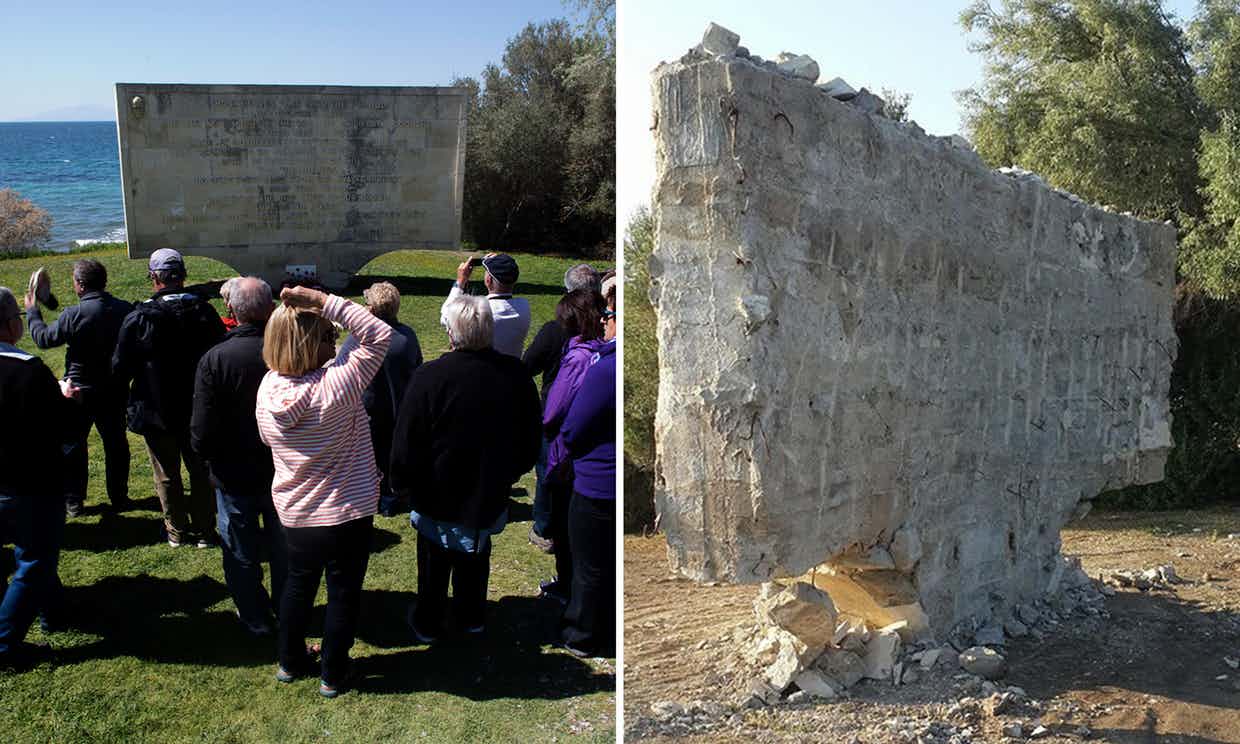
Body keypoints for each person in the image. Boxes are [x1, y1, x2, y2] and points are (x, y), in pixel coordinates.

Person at [256, 285, 391, 699]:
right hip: (347, 510)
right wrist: (322, 301)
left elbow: (266, 442)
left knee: (297, 586)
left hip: (296, 513)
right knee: (343, 592)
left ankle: (290, 661)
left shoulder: (267, 390)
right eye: (329, 335)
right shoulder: (338, 385)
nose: (335, 340)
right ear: (316, 342)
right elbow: (377, 334)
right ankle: (333, 673)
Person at [390, 295, 541, 642]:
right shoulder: (515, 375)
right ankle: (471, 616)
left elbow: (406, 439)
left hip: (436, 492)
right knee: (476, 553)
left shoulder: (430, 376)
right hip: (486, 489)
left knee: (434, 559)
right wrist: (511, 472)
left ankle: (429, 620)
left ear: (451, 334)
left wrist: (402, 483)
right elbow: (530, 435)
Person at [112, 248, 225, 548]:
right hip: (198, 406)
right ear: (183, 276)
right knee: (201, 471)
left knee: (166, 474)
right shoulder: (204, 312)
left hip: (156, 409)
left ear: (154, 278)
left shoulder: (139, 318)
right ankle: (205, 530)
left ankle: (175, 530)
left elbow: (120, 367)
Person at [190, 277, 284, 637]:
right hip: (282, 469)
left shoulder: (215, 359)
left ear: (230, 310)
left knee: (240, 550)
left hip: (232, 473)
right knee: (283, 547)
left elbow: (201, 431)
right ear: (271, 308)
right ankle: (287, 606)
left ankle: (255, 617)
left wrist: (209, 462)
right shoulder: (289, 352)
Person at [24, 258, 133, 516]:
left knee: (73, 445)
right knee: (116, 443)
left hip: (77, 391)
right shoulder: (124, 309)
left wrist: (32, 311)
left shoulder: (73, 315)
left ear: (80, 285)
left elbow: (43, 339)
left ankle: (73, 501)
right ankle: (119, 496)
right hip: (114, 389)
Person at [0, 287, 70, 667]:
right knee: (35, 561)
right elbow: (63, 430)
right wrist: (66, 398)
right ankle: (4, 643)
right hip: (27, 483)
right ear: (11, 324)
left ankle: (52, 612)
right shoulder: (29, 371)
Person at [558, 277, 617, 657]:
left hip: (596, 480)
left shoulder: (605, 368)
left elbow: (574, 425)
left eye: (610, 314)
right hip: (608, 478)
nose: (604, 320)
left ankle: (582, 634)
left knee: (589, 563)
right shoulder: (603, 362)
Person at [522, 263, 599, 552]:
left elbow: (527, 366)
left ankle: (545, 529)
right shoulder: (603, 330)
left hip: (556, 414)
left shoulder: (556, 331)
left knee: (548, 473)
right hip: (591, 415)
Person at [536, 289, 607, 604]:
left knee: (565, 525)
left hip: (566, 450)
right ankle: (569, 583)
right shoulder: (601, 350)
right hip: (588, 449)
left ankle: (566, 586)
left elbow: (553, 411)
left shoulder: (578, 357)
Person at [360, 281, 423, 517]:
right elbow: (418, 365)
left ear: (373, 309)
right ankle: (393, 495)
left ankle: (380, 498)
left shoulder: (365, 338)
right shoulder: (407, 336)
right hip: (401, 407)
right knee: (393, 456)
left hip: (372, 411)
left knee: (373, 458)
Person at [442, 253, 530, 357]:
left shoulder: (479, 310)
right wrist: (501, 261)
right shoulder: (524, 307)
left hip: (482, 369)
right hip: (511, 369)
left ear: (488, 280)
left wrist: (460, 282)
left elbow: (446, 317)